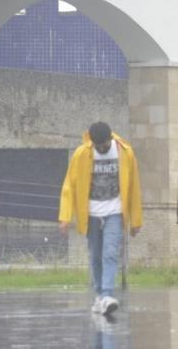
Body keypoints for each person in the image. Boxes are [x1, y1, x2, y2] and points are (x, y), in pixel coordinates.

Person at [59, 121, 143, 317]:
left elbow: (134, 187)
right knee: (96, 256)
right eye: (98, 146)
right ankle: (99, 296)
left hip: (114, 211)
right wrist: (65, 217)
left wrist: (136, 220)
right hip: (92, 214)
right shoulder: (82, 154)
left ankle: (107, 294)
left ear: (110, 139)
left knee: (110, 253)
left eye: (104, 145)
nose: (102, 149)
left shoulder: (125, 152)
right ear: (92, 142)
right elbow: (69, 186)